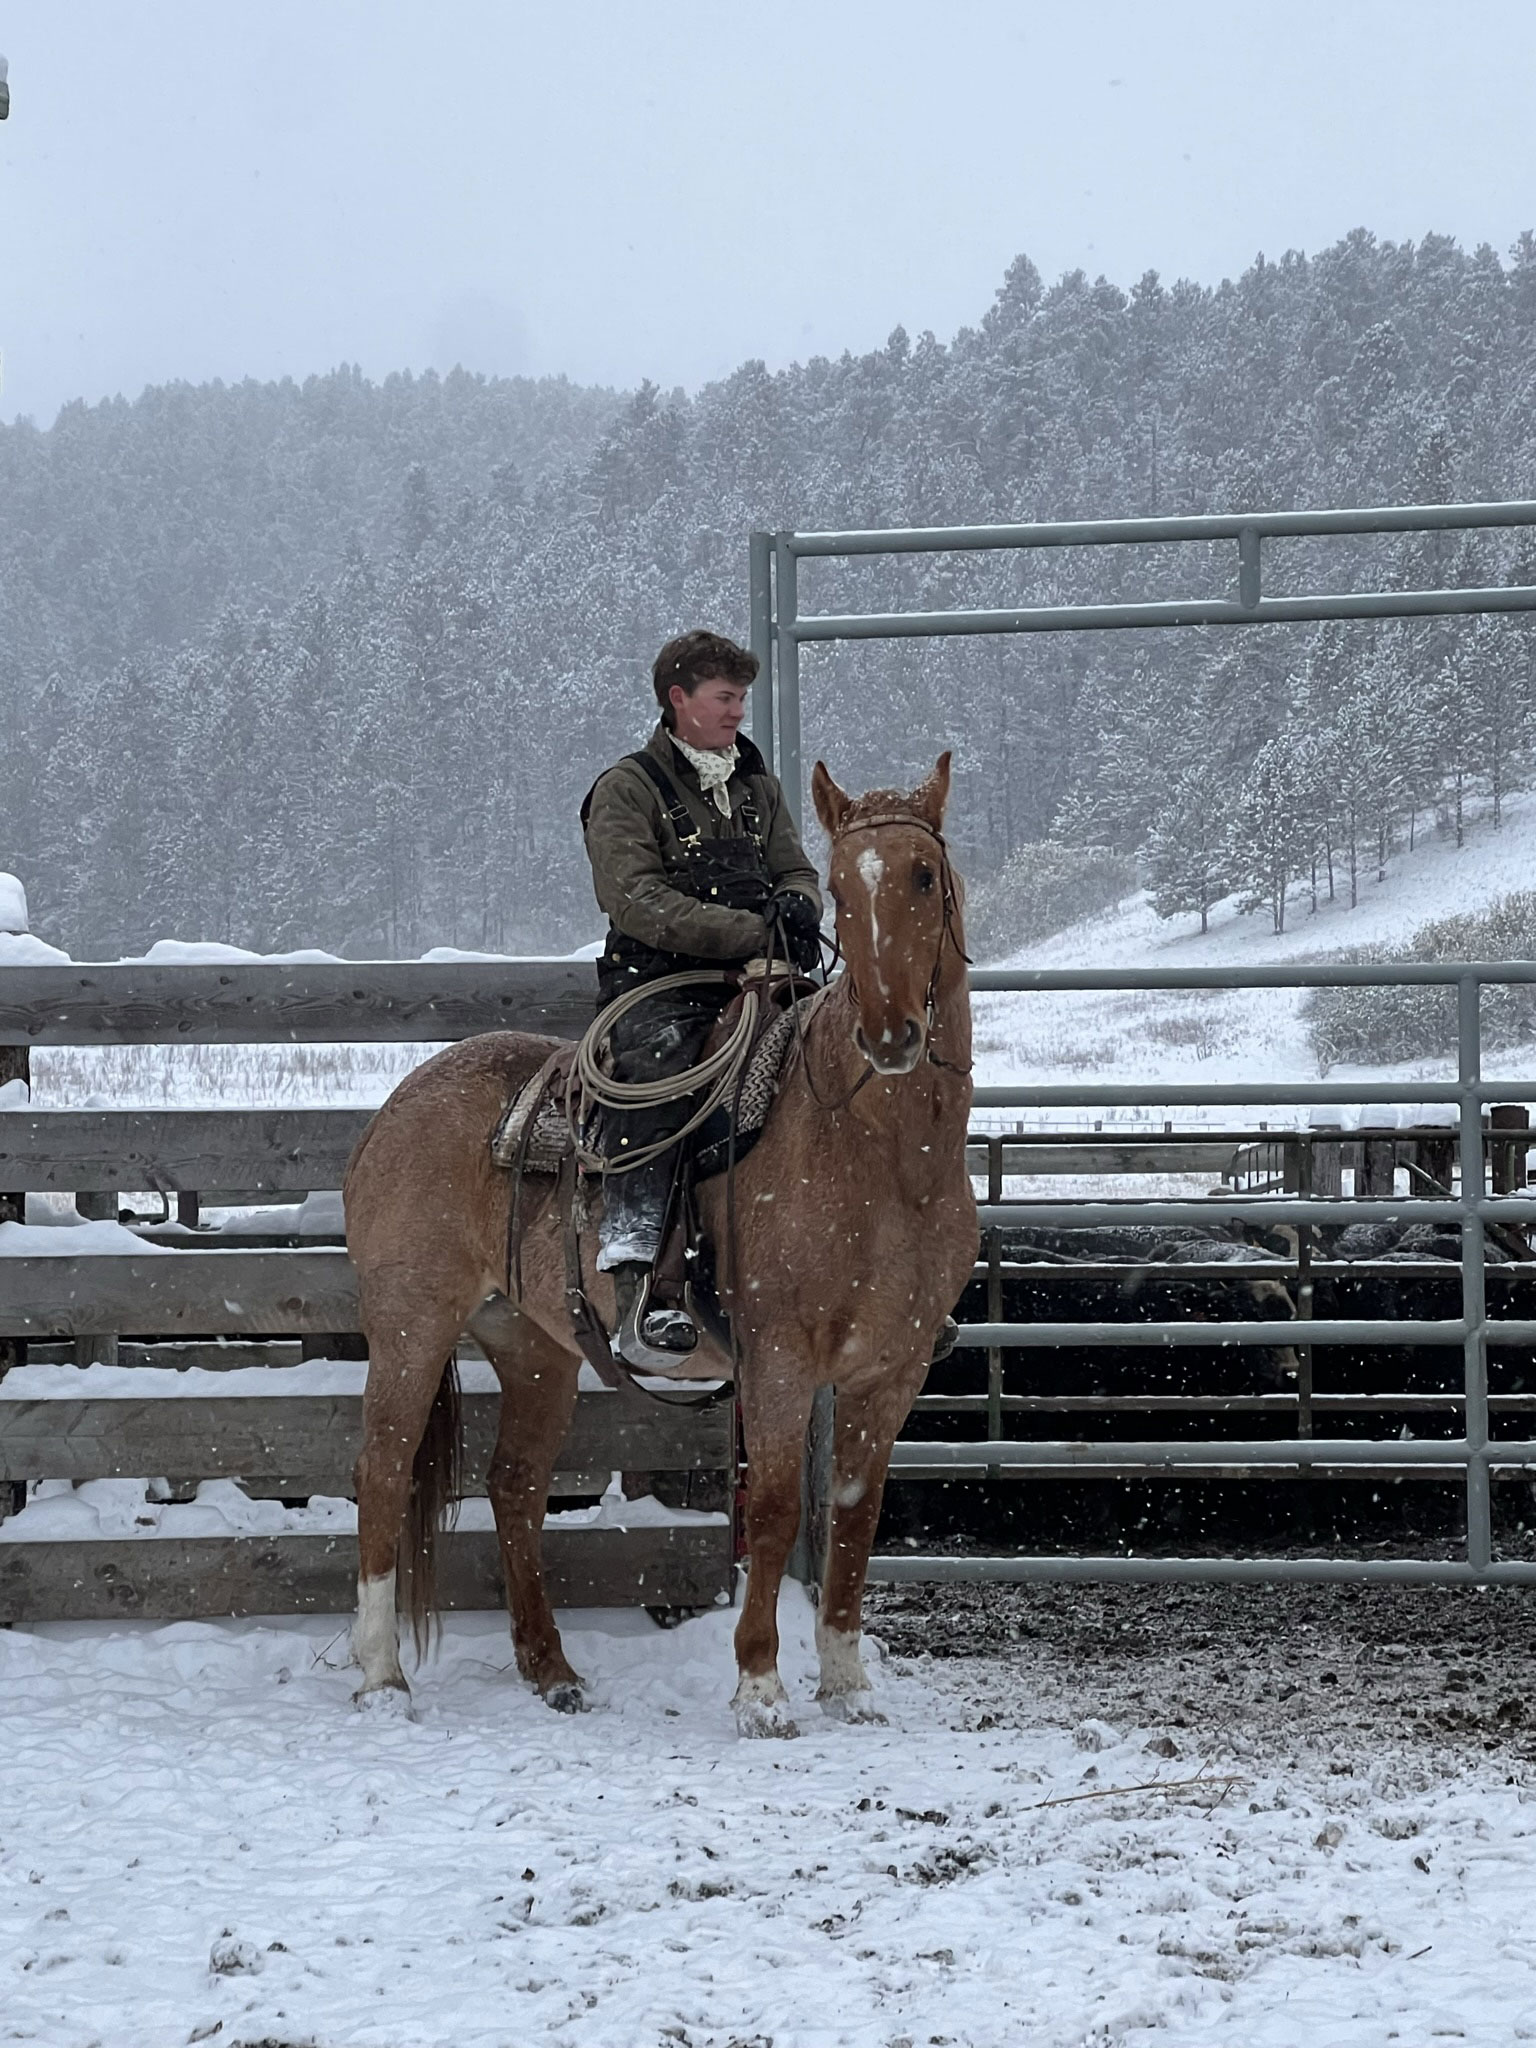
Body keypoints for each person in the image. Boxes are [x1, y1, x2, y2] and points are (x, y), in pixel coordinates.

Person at [581, 628, 822, 1364]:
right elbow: (638, 901)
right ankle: (643, 1280)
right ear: (677, 699)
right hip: (659, 986)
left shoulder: (759, 787)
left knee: (845, 1060)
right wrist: (753, 929)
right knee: (656, 1080)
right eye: (725, 698)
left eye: (742, 698)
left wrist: (800, 906)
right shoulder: (626, 789)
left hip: (765, 979)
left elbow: (797, 869)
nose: (737, 713)